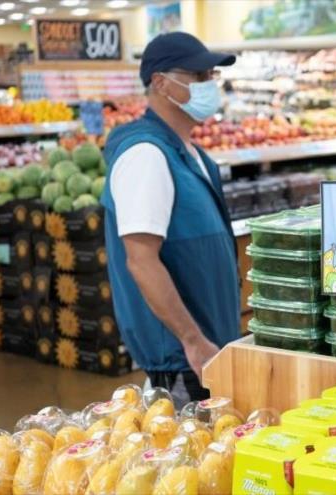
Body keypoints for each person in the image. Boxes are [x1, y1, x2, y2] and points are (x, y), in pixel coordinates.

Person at [100, 32, 240, 406]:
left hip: (211, 346)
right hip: (185, 359)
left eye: (213, 75)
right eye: (199, 77)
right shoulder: (146, 156)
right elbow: (141, 260)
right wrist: (192, 341)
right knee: (190, 455)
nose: (210, 85)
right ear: (161, 83)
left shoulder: (189, 153)